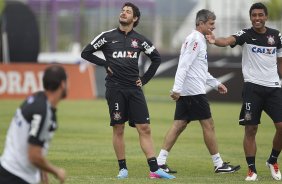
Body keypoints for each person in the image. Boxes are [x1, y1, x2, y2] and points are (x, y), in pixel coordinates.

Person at [81, 2, 175, 179]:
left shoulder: (140, 40)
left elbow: (156, 58)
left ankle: (154, 169)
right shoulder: (106, 36)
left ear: (135, 18)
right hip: (115, 89)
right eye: (122, 11)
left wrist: (144, 79)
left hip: (134, 89)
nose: (123, 13)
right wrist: (105, 63)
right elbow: (86, 53)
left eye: (128, 12)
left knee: (145, 128)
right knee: (118, 128)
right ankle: (123, 168)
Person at [156, 9, 241, 175]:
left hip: (190, 90)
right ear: (200, 23)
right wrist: (176, 89)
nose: (213, 27)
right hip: (193, 91)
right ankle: (218, 164)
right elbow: (184, 65)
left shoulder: (199, 39)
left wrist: (216, 83)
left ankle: (159, 163)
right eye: (211, 24)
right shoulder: (195, 39)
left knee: (178, 125)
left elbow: (198, 69)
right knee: (208, 124)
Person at [206, 2, 282, 181]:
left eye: (260, 15)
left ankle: (272, 160)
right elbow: (228, 40)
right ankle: (252, 169)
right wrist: (215, 41)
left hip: (273, 88)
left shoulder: (276, 36)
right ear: (251, 17)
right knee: (251, 129)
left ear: (266, 17)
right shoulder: (246, 34)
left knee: (281, 127)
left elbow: (280, 62)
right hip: (252, 88)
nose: (257, 18)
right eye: (254, 15)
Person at [0, 65, 67, 184]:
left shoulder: (36, 99)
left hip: (7, 169)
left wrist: (42, 170)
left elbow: (33, 141)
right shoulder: (43, 111)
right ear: (63, 84)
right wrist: (56, 171)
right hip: (16, 177)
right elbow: (34, 155)